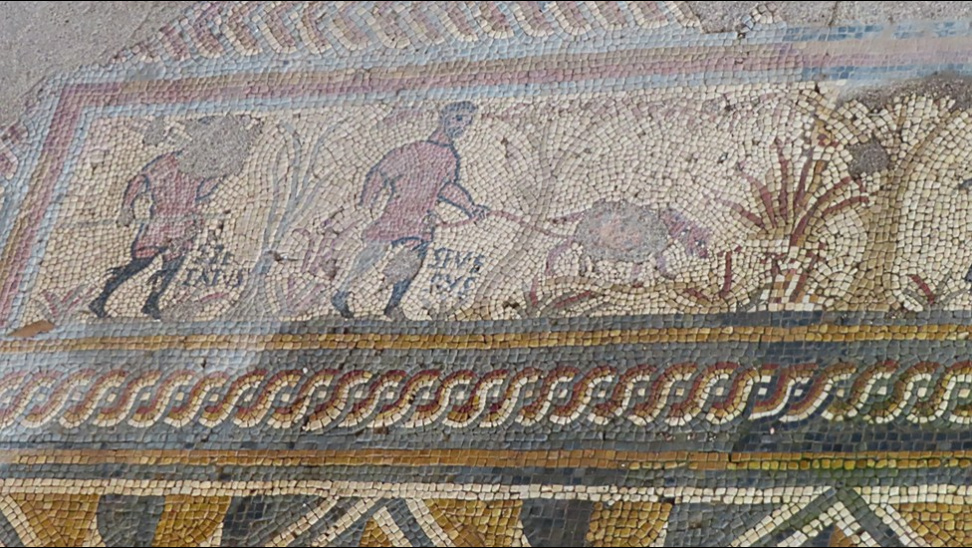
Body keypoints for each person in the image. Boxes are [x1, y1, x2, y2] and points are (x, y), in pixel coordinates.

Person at [331, 101, 489, 320]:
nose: (461, 126)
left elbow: (447, 188)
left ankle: (393, 305)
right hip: (397, 213)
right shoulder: (413, 150)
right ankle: (342, 292)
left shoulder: (450, 158)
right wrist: (365, 206)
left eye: (467, 123)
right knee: (374, 252)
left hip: (422, 219)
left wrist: (471, 208)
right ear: (444, 117)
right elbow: (380, 173)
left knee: (414, 259)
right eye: (459, 119)